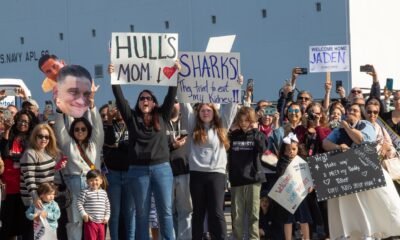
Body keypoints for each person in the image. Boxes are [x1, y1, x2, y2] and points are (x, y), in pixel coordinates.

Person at [110, 63, 177, 239]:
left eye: (148, 98)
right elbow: (120, 98)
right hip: (138, 171)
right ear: (138, 103)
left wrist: (174, 73)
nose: (145, 100)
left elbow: (171, 94)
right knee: (141, 214)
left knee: (166, 213)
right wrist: (113, 78)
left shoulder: (162, 115)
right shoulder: (131, 118)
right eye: (141, 98)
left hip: (162, 169)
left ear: (154, 102)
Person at [322, 102, 400, 239]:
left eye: (355, 110)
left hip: (367, 171)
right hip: (347, 173)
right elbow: (325, 143)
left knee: (374, 206)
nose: (352, 112)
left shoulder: (366, 125)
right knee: (352, 210)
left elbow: (361, 140)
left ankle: (372, 234)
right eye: (350, 110)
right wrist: (338, 146)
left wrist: (346, 126)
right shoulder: (337, 130)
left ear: (360, 114)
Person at [181, 93, 239, 239]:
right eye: (202, 110)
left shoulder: (222, 125)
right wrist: (179, 84)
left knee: (217, 211)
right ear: (198, 113)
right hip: (197, 174)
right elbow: (184, 104)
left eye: (208, 110)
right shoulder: (192, 124)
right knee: (198, 212)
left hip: (216, 174)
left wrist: (236, 87)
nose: (205, 113)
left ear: (214, 111)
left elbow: (231, 108)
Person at [54, 84, 103, 240]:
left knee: (95, 222)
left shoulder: (95, 143)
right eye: (76, 129)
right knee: (75, 223)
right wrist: (61, 106)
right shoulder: (68, 144)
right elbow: (60, 128)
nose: (80, 131)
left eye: (83, 129)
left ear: (88, 130)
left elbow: (99, 128)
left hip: (93, 185)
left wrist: (92, 102)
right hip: (74, 183)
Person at [228, 106, 266, 239]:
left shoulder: (258, 135)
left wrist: (255, 130)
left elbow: (262, 147)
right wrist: (230, 130)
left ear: (252, 120)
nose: (244, 123)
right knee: (236, 215)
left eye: (247, 120)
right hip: (236, 180)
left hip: (254, 180)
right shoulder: (232, 136)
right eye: (241, 120)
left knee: (254, 215)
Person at [0, 109, 38, 239]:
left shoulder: (33, 140)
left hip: (25, 187)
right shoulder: (10, 135)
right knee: (8, 227)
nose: (23, 123)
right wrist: (6, 130)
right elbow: (5, 154)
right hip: (9, 186)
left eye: (26, 121)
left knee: (26, 226)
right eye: (21, 120)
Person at [103, 106, 135, 239]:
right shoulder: (107, 126)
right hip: (113, 174)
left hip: (130, 173)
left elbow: (132, 146)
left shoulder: (133, 125)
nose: (119, 112)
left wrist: (120, 146)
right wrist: (110, 121)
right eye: (117, 109)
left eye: (122, 109)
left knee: (129, 213)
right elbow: (109, 141)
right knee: (114, 213)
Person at [274, 133, 312, 240]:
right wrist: (285, 160)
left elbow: (309, 176)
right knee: (288, 220)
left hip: (300, 194)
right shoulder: (281, 162)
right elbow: (280, 174)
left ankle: (307, 238)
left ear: (298, 149)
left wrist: (311, 186)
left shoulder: (303, 162)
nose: (291, 151)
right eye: (288, 149)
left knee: (304, 219)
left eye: (294, 149)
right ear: (284, 150)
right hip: (288, 194)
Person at [20, 123, 63, 207]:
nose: (44, 139)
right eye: (40, 136)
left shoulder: (48, 151)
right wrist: (35, 197)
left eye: (47, 137)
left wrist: (58, 167)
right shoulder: (30, 153)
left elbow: (46, 173)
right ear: (34, 137)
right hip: (34, 199)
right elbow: (29, 179)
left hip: (46, 197)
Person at [167, 101, 192, 239]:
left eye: (176, 102)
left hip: (185, 172)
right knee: (167, 211)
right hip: (166, 173)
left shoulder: (188, 121)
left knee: (186, 211)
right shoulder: (162, 121)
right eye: (172, 102)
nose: (173, 105)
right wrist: (172, 145)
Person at [77, 169, 110, 240]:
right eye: (91, 180)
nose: (94, 182)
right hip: (90, 222)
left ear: (101, 181)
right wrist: (84, 214)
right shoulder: (85, 192)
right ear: (87, 182)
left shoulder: (103, 193)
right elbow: (79, 203)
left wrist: (107, 217)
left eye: (96, 180)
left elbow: (107, 206)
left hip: (101, 222)